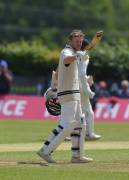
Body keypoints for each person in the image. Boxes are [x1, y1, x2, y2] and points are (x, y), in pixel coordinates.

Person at [37, 30, 92, 163]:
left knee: (80, 124)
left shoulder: (75, 53)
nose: (79, 44)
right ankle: (45, 150)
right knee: (66, 125)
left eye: (80, 41)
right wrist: (78, 56)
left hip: (75, 93)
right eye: (76, 41)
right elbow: (67, 59)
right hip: (68, 93)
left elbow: (58, 72)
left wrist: (55, 84)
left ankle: (76, 155)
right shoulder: (66, 52)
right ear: (70, 41)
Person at [78, 38, 101, 140]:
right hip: (81, 88)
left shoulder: (75, 54)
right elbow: (81, 74)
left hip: (74, 85)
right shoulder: (84, 56)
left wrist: (87, 79)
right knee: (87, 111)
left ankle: (84, 133)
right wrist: (87, 89)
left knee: (79, 111)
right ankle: (89, 133)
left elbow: (78, 74)